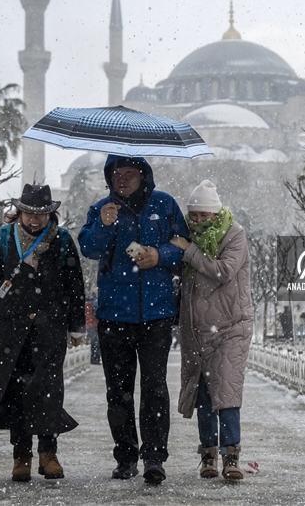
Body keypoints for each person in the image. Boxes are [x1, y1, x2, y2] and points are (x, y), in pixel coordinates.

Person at [0, 185, 85, 482]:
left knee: (47, 391)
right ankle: (21, 455)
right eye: (29, 213)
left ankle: (48, 453)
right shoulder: (3, 238)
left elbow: (75, 287)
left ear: (51, 213)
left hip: (49, 330)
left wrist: (75, 325)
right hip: (11, 331)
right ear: (19, 212)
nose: (35, 220)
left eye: (41, 214)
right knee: (17, 392)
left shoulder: (62, 240)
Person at [77, 155, 188, 485]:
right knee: (119, 391)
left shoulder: (165, 204)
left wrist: (159, 255)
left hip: (156, 314)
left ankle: (154, 457)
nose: (121, 178)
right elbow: (88, 249)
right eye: (115, 173)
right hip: (114, 315)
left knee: (154, 388)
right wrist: (103, 225)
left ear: (143, 175)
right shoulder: (101, 209)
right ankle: (125, 456)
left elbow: (182, 243)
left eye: (128, 173)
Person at [170, 180, 253, 481]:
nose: (200, 220)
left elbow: (223, 271)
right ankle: (208, 455)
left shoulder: (235, 234)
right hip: (196, 328)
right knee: (203, 393)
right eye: (195, 215)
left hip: (231, 325)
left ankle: (231, 454)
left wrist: (189, 251)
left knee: (227, 391)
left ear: (217, 213)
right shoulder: (187, 237)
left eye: (206, 215)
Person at [85, 291, 101, 365]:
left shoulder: (88, 300)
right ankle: (95, 359)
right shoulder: (95, 301)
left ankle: (94, 358)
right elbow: (97, 313)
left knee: (94, 342)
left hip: (89, 325)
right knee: (96, 342)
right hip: (94, 324)